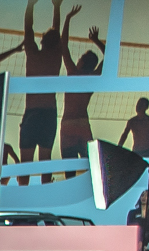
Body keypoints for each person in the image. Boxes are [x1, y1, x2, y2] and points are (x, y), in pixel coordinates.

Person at [16, 0, 74, 184]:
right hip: (48, 113)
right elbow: (55, 30)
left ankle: (22, 193)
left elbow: (28, 29)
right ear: (57, 43)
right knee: (45, 162)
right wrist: (56, 7)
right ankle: (45, 192)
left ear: (42, 40)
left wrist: (30, 5)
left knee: (25, 163)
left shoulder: (33, 54)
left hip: (32, 112)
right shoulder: (56, 56)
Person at [58, 24, 105, 159]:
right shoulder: (92, 78)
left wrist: (67, 19)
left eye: (79, 59)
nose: (77, 60)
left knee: (69, 165)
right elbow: (110, 56)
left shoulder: (73, 72)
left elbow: (63, 46)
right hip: (83, 124)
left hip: (69, 123)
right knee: (88, 164)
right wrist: (96, 40)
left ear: (82, 62)